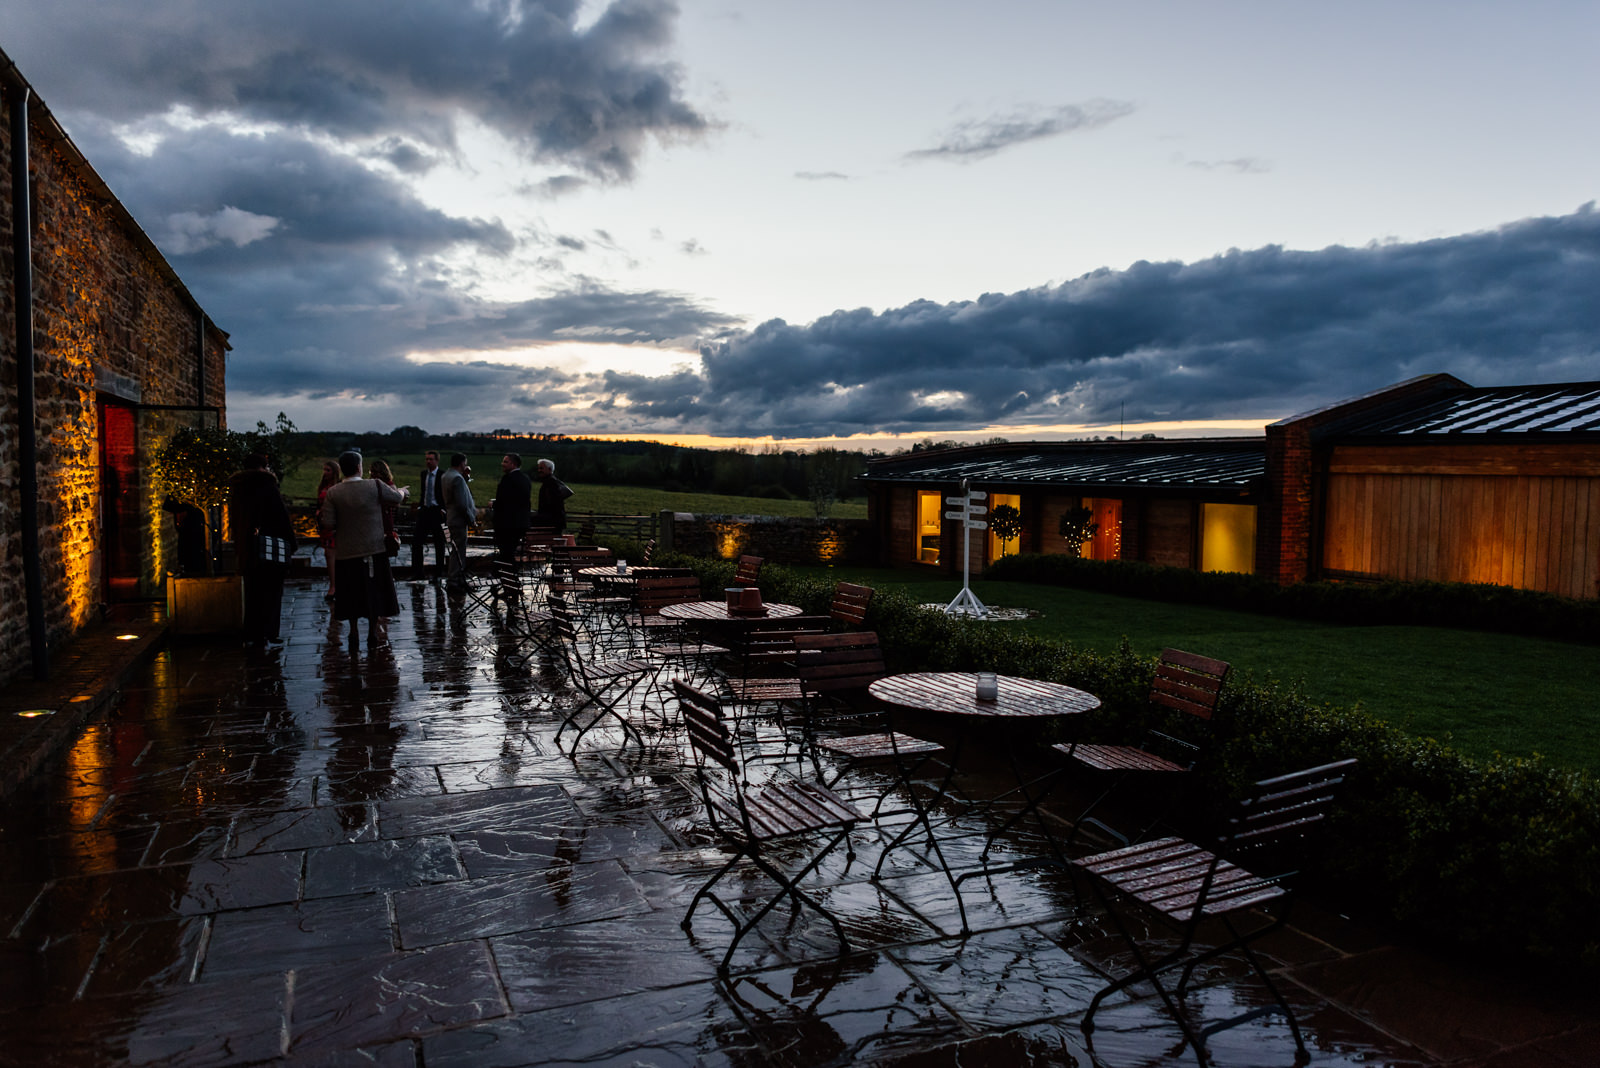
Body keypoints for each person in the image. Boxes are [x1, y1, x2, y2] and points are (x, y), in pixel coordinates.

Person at [320, 450, 407, 649]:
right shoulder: (374, 485)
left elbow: (329, 523)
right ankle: (371, 633)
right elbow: (396, 498)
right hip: (373, 550)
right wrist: (404, 491)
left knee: (350, 594)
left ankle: (353, 631)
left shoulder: (334, 492)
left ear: (342, 468)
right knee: (373, 594)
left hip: (346, 552)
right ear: (359, 467)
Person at [228, 453, 297, 645]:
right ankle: (269, 631)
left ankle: (253, 632)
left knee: (252, 591)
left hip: (247, 547)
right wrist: (292, 543)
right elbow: (281, 517)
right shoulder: (267, 485)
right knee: (272, 591)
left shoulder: (238, 487)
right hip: (269, 546)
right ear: (263, 466)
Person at [490, 453, 533, 578]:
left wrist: (494, 504)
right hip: (520, 524)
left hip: (506, 524)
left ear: (513, 464)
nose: (502, 464)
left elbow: (505, 502)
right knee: (508, 553)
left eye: (505, 462)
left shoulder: (508, 479)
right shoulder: (525, 478)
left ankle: (507, 577)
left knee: (506, 553)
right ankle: (509, 579)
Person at [439, 452, 477, 590]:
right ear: (461, 463)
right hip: (458, 520)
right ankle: (455, 581)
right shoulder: (457, 478)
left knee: (455, 550)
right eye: (465, 463)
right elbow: (461, 503)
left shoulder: (445, 476)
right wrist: (471, 518)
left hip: (451, 518)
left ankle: (457, 578)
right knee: (459, 551)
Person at [411, 450, 446, 584]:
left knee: (439, 543)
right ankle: (418, 572)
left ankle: (438, 574)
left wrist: (443, 509)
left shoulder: (442, 475)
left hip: (437, 511)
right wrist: (420, 506)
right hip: (425, 510)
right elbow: (423, 492)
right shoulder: (423, 474)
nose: (428, 462)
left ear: (437, 461)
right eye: (426, 459)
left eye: (431, 459)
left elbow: (444, 493)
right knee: (417, 542)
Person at [161, 497, 209, 576]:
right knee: (188, 554)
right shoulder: (178, 492)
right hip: (186, 530)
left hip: (196, 529)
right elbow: (167, 505)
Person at [315, 460, 341, 601]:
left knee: (333, 554)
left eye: (328, 470)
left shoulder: (339, 486)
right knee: (328, 554)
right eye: (324, 470)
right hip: (324, 524)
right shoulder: (323, 486)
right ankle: (333, 584)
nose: (325, 473)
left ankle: (335, 586)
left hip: (336, 524)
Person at [532, 457, 572, 535]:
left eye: (541, 468)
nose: (539, 470)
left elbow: (553, 505)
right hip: (553, 522)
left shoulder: (551, 484)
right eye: (539, 468)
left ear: (550, 469)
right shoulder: (550, 482)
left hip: (552, 523)